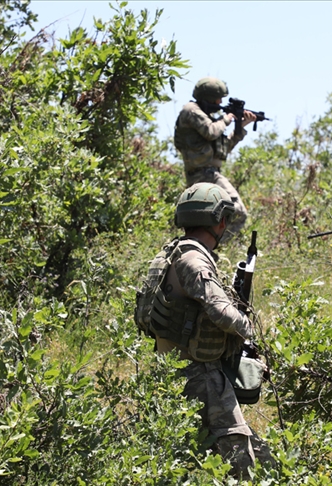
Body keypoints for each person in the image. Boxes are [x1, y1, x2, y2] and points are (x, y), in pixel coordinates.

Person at [137, 183, 272, 479]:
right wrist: (252, 333)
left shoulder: (172, 253)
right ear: (219, 221)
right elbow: (220, 311)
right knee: (240, 460)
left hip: (175, 372)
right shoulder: (194, 260)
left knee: (243, 454)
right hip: (200, 376)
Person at [173, 77, 257, 241]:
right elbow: (211, 131)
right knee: (237, 211)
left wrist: (241, 126)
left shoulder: (208, 118)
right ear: (208, 97)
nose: (220, 102)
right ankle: (214, 246)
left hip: (209, 173)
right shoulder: (191, 110)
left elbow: (222, 150)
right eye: (218, 98)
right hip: (204, 174)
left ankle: (208, 245)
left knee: (213, 218)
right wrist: (227, 118)